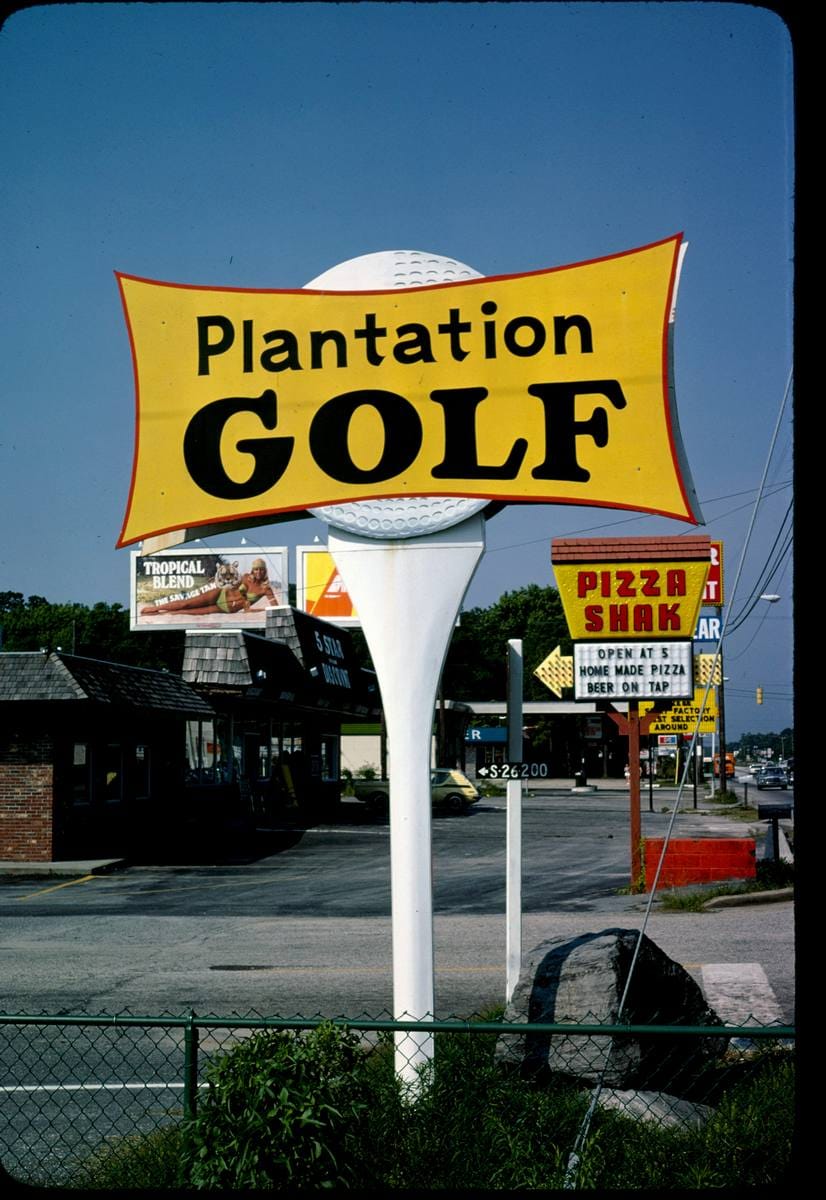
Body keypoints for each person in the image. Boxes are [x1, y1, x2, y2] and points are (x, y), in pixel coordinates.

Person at [141, 558, 280, 616]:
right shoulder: (244, 577)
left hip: (226, 609)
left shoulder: (265, 589)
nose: (258, 572)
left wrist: (258, 609)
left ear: (265, 571)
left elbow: (276, 608)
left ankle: (162, 613)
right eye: (256, 569)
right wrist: (217, 579)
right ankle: (154, 608)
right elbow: (230, 583)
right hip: (220, 594)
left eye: (261, 569)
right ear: (253, 570)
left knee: (190, 613)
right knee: (188, 603)